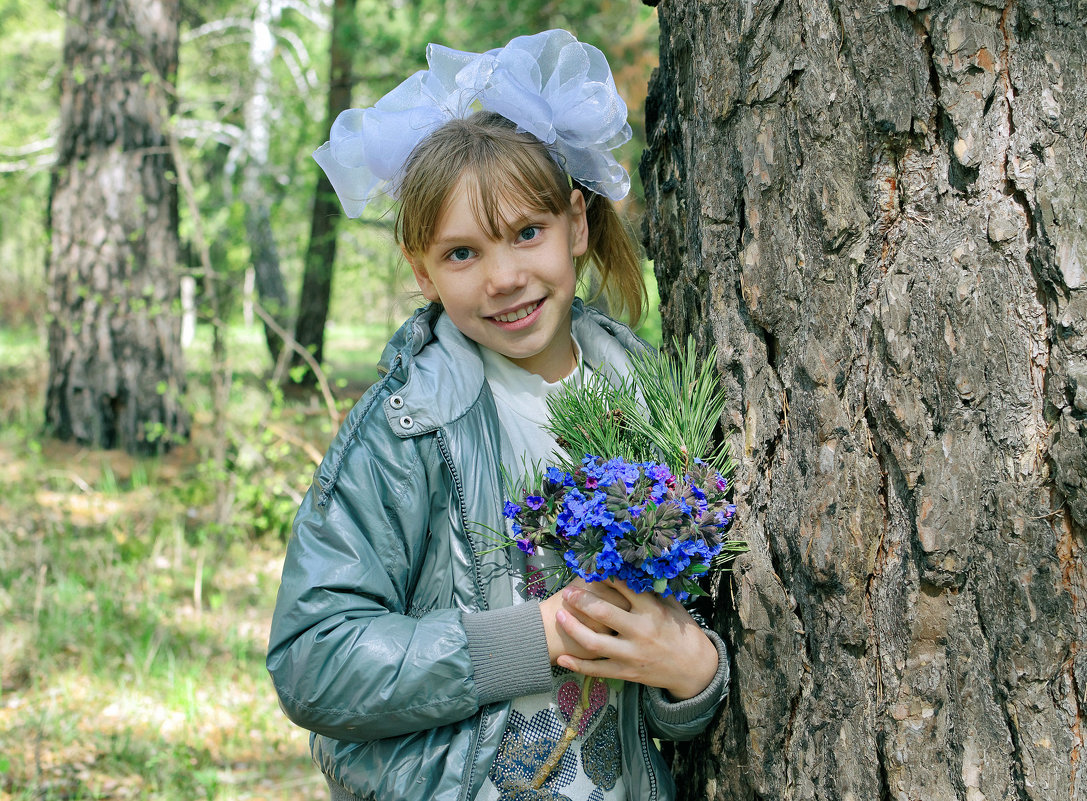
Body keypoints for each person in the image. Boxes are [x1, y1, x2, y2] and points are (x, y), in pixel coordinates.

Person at [267, 29, 730, 801]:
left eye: (525, 233)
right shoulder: (407, 428)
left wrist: (695, 678)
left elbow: (691, 631)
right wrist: (530, 638)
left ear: (575, 225)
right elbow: (315, 660)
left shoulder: (655, 403)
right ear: (421, 270)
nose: (504, 277)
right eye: (461, 253)